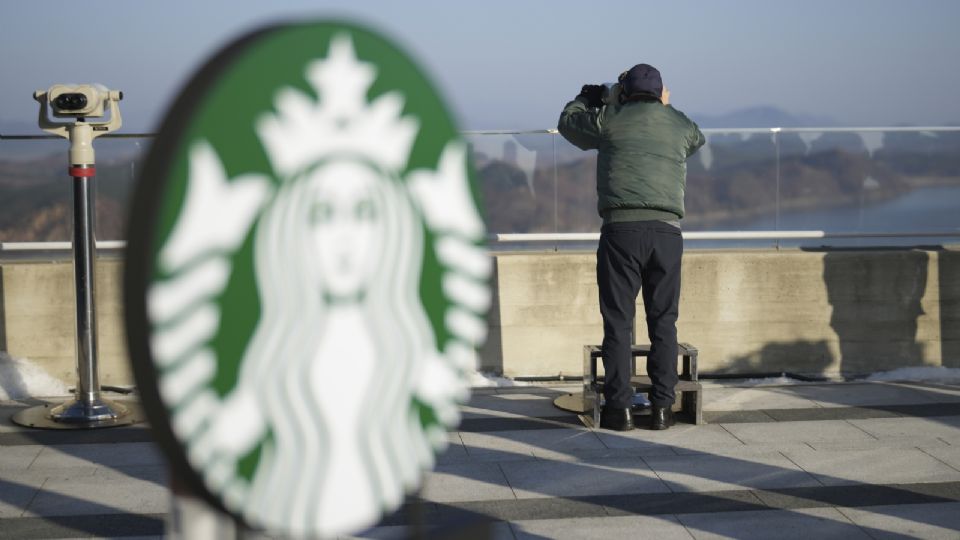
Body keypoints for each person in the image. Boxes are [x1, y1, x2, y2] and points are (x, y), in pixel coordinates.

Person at [558, 63, 705, 431]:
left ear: (625, 92)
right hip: (667, 234)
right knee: (664, 322)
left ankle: (619, 410)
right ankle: (661, 410)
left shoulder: (608, 118)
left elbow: (568, 123)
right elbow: (696, 138)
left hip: (621, 232)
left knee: (618, 323)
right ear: (660, 93)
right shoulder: (677, 124)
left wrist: (587, 98)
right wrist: (665, 109)